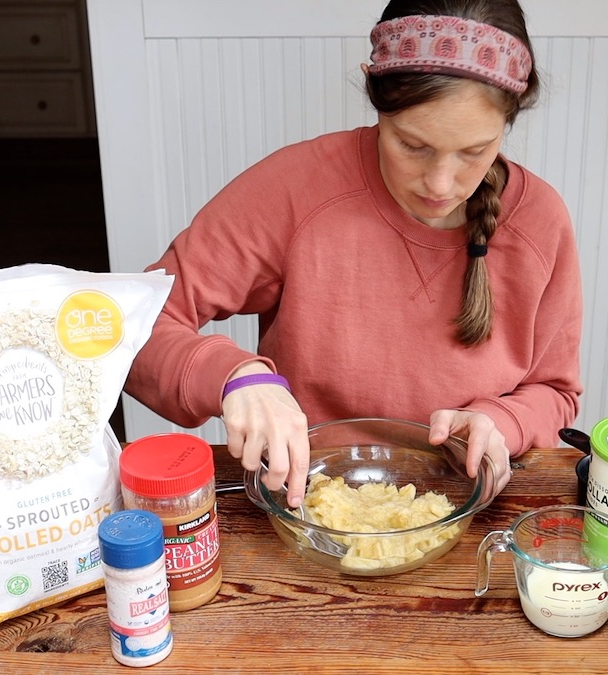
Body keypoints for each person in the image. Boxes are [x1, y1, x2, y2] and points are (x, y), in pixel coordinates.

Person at [125, 0, 582, 508]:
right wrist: (235, 376)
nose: (440, 184)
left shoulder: (541, 220)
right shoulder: (296, 189)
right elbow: (131, 329)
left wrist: (501, 422)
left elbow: (556, 392)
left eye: (474, 152)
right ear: (377, 102)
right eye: (412, 145)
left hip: (470, 517)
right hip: (304, 507)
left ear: (508, 122)